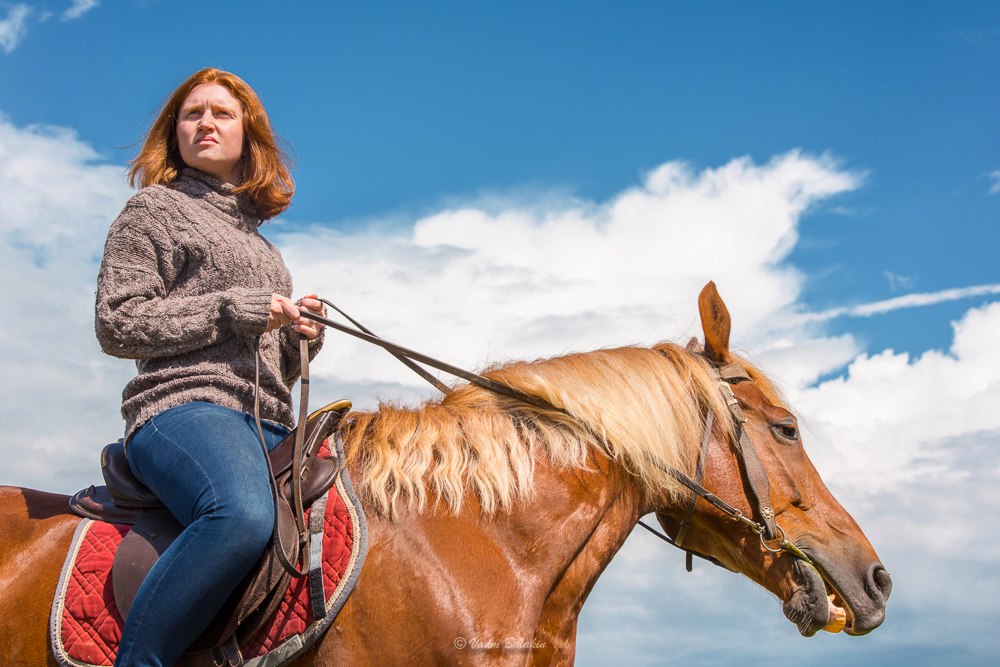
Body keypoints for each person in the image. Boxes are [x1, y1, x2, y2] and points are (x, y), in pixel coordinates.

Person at [95, 67, 325, 666]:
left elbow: (267, 366)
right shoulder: (153, 211)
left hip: (266, 423)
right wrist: (234, 308)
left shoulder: (265, 249)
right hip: (182, 408)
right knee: (241, 515)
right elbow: (118, 322)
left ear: (248, 136)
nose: (206, 123)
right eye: (193, 113)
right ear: (174, 133)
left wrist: (301, 340)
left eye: (223, 113)